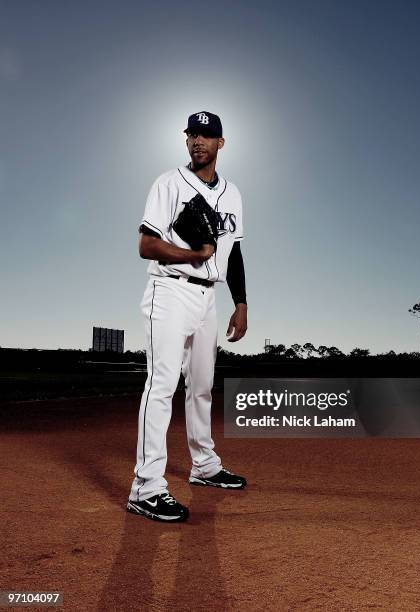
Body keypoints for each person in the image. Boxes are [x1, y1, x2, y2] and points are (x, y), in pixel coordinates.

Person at [127, 111, 248, 522]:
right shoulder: (168, 183)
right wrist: (192, 254)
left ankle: (204, 466)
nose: (199, 141)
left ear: (221, 143)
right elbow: (146, 245)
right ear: (187, 141)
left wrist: (242, 303)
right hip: (170, 289)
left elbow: (233, 252)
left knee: (201, 387)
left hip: (208, 299)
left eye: (207, 135)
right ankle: (146, 487)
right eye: (193, 135)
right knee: (161, 384)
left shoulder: (233, 194)